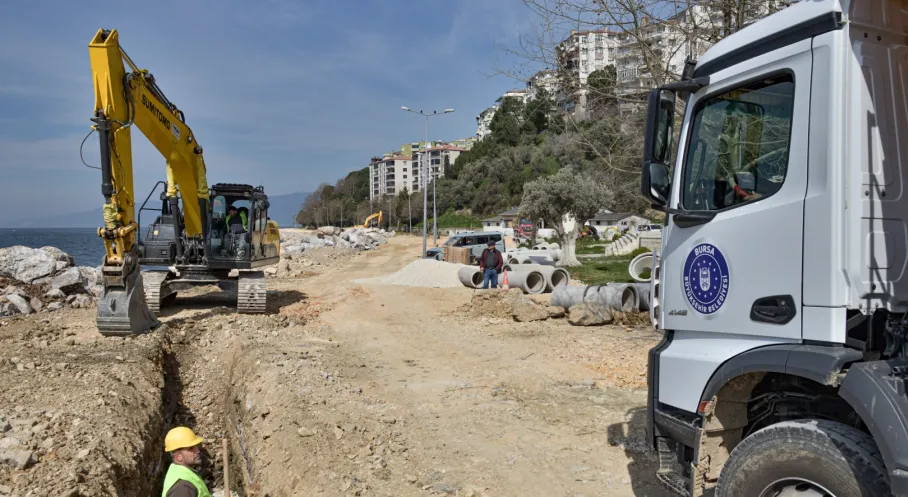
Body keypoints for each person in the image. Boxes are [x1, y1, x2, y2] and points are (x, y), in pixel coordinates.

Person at [161, 426, 211, 497]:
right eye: (191, 448)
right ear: (178, 457)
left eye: (195, 446)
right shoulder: (183, 488)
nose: (197, 451)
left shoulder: (179, 470)